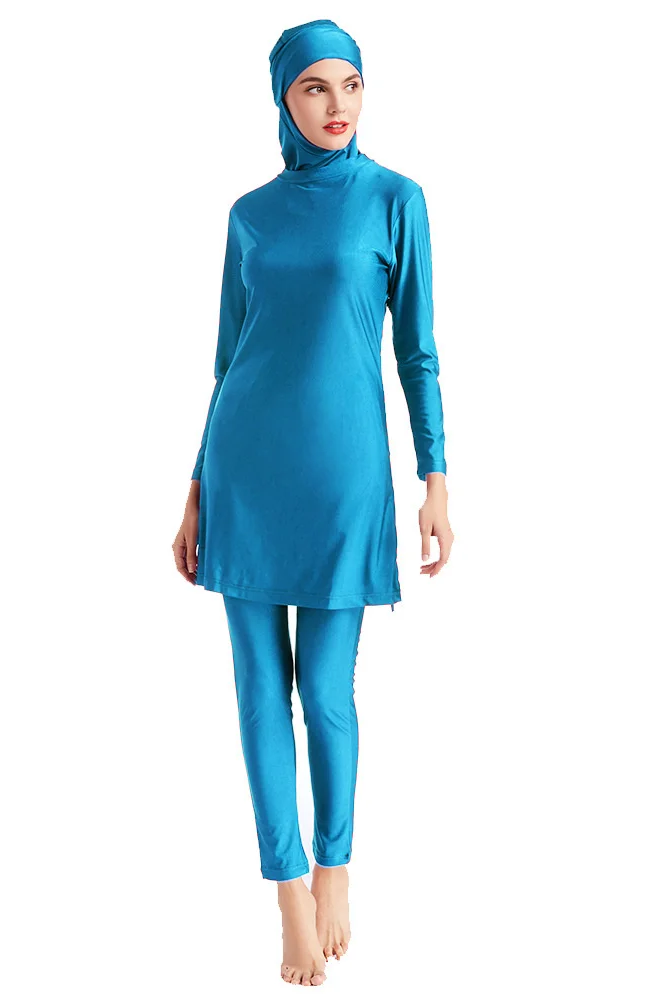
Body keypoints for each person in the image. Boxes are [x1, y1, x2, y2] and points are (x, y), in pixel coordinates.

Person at [173, 19, 454, 987]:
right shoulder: (247, 215)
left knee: (327, 694)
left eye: (351, 85)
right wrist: (195, 489)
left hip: (344, 481)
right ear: (282, 100)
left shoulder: (394, 199)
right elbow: (227, 362)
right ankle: (288, 893)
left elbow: (417, 351)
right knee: (260, 691)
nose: (337, 106)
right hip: (244, 473)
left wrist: (435, 477)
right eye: (314, 88)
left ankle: (335, 864)